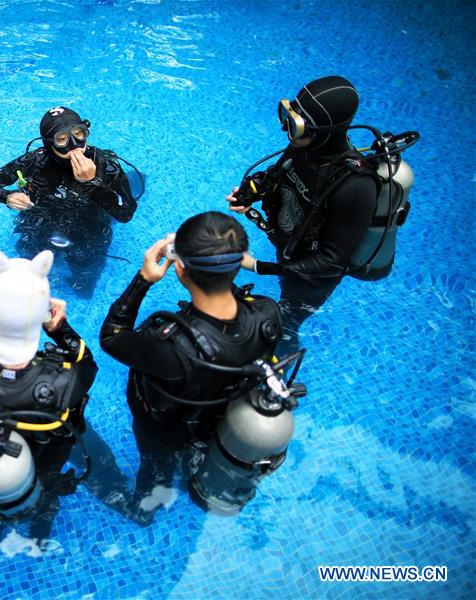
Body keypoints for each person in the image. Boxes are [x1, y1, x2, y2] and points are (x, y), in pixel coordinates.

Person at [99, 212, 282, 524]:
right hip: (220, 420)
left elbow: (112, 337)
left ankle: (145, 509)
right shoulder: (267, 314)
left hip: (165, 430)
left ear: (178, 269)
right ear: (239, 263)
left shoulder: (170, 348)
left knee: (155, 466)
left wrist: (143, 279)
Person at [0, 249, 98, 548]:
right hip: (48, 458)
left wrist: (4, 309)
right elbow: (88, 364)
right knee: (47, 495)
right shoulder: (61, 381)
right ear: (39, 316)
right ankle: (40, 537)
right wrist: (60, 329)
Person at [227, 75, 378, 354]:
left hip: (310, 279)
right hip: (288, 244)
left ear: (325, 130)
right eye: (288, 113)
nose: (287, 128)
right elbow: (277, 173)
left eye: (296, 124)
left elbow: (331, 261)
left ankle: (276, 382)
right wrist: (251, 191)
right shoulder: (305, 144)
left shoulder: (355, 186)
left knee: (283, 328)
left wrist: (260, 267)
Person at [0, 107, 139, 298]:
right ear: (48, 144)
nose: (74, 145)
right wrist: (6, 197)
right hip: (40, 222)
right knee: (29, 278)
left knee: (83, 287)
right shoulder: (34, 161)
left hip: (89, 227)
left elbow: (125, 213)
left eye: (79, 134)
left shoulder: (105, 166)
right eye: (62, 139)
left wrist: (93, 182)